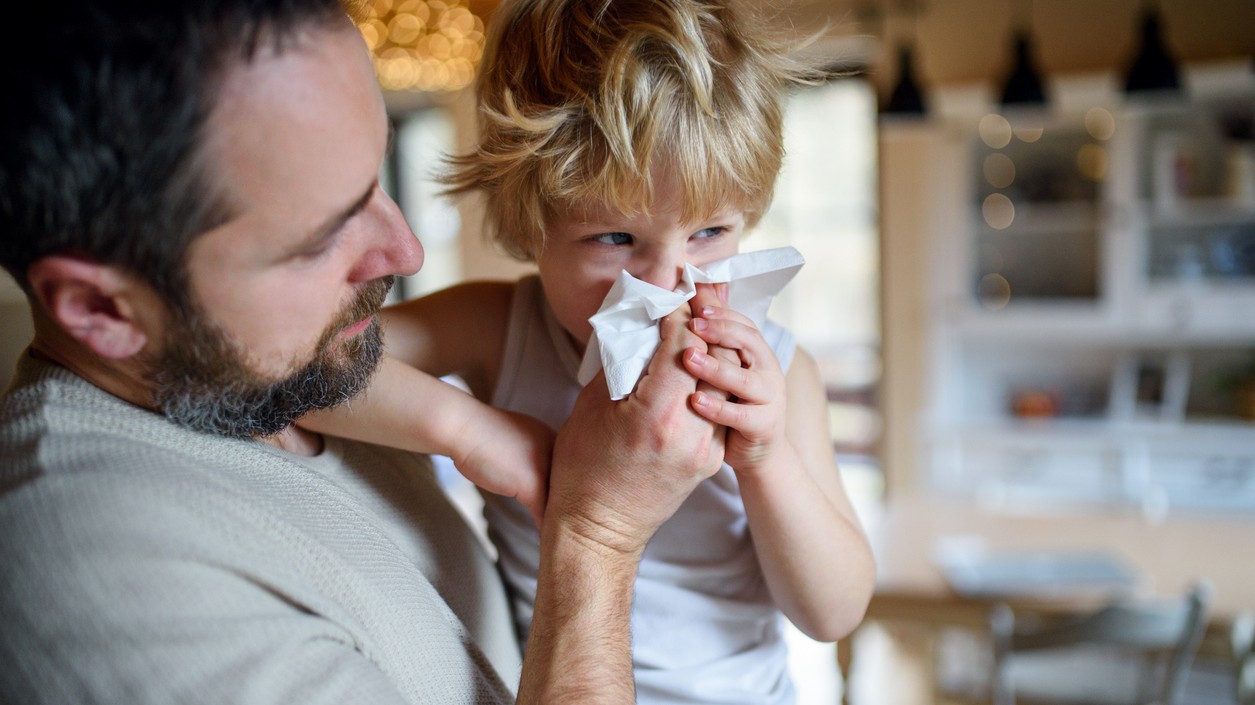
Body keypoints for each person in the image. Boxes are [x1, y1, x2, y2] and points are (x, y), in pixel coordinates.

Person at [0, 2, 730, 703]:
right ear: (101, 308)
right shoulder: (99, 577)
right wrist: (596, 537)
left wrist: (473, 431)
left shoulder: (291, 371)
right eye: (320, 238)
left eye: (374, 179)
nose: (403, 250)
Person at [299, 0, 876, 701]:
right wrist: (481, 430)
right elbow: (304, 365)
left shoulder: (779, 372)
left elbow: (833, 611)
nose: (668, 282)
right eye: (614, 239)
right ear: (527, 228)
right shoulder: (499, 325)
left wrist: (766, 457)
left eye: (710, 233)